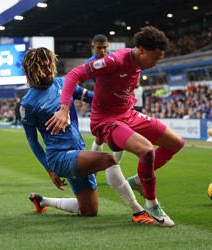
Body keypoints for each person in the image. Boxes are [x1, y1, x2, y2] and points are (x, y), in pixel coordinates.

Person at [47, 26, 185, 227]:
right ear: (140, 50)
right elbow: (73, 75)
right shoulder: (114, 60)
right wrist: (64, 108)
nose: (155, 64)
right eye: (155, 58)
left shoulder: (139, 64)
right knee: (146, 151)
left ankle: (138, 181)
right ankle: (152, 203)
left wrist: (129, 98)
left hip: (128, 115)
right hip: (105, 121)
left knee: (176, 143)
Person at [21, 47, 154, 225]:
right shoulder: (28, 104)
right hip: (59, 157)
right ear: (32, 70)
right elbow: (32, 140)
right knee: (109, 160)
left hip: (78, 152)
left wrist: (118, 94)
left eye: (49, 65)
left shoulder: (62, 84)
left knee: (89, 211)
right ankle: (138, 211)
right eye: (42, 67)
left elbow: (94, 97)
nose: (48, 70)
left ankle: (42, 201)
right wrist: (49, 168)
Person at [85, 34, 125, 166]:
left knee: (122, 136)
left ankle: (114, 168)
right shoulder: (89, 64)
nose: (102, 51)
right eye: (99, 48)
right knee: (100, 138)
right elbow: (77, 79)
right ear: (93, 47)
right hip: (101, 105)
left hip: (119, 103)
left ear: (108, 46)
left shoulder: (117, 58)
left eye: (104, 47)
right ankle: (94, 167)